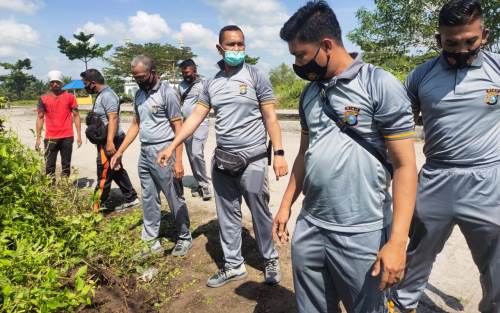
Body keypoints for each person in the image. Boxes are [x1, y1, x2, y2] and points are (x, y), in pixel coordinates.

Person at [273, 1, 418, 312]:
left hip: (361, 233)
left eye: (301, 55)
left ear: (326, 45)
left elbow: (405, 167)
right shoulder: (310, 93)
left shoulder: (379, 85)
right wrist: (286, 205)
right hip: (311, 226)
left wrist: (397, 242)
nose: (298, 64)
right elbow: (305, 153)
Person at [156, 25, 288, 287]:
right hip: (223, 161)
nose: (237, 49)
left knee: (259, 212)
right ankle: (233, 265)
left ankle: (269, 258)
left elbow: (270, 116)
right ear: (220, 48)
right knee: (227, 215)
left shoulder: (256, 75)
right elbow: (195, 117)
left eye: (240, 44)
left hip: (254, 158)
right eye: (231, 44)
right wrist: (172, 146)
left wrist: (279, 152)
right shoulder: (211, 83)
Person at [392, 1, 500, 312]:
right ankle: (401, 306)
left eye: (471, 41)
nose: (462, 49)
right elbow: (396, 131)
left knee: (496, 266)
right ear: (439, 39)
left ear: (485, 35)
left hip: (487, 182)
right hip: (435, 179)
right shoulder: (420, 76)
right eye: (452, 43)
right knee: (415, 257)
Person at [110, 55, 192, 257]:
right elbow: (136, 124)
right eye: (135, 77)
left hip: (165, 151)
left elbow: (178, 128)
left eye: (141, 76)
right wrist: (120, 152)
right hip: (145, 152)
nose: (138, 80)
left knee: (174, 196)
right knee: (148, 197)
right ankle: (150, 241)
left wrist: (179, 160)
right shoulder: (139, 95)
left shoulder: (168, 93)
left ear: (153, 72)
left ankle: (184, 237)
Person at [80, 69, 138, 212]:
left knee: (104, 172)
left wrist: (110, 142)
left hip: (111, 140)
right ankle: (131, 197)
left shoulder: (108, 96)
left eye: (85, 83)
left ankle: (96, 206)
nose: (84, 86)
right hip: (106, 139)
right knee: (115, 168)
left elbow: (113, 119)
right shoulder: (101, 95)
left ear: (93, 83)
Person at [36, 70, 82, 179]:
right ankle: (50, 188)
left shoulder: (70, 97)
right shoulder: (43, 98)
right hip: (50, 137)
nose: (55, 84)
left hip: (67, 137)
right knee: (49, 165)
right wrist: (38, 138)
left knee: (66, 165)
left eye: (57, 82)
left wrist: (79, 135)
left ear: (61, 83)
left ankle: (65, 187)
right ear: (49, 83)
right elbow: (40, 117)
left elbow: (76, 116)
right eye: (52, 82)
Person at [177, 59, 212, 200]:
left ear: (194, 70)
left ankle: (205, 185)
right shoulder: (181, 86)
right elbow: (178, 102)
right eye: (183, 73)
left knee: (197, 153)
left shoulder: (203, 84)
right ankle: (199, 183)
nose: (185, 75)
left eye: (187, 72)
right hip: (186, 126)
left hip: (201, 124)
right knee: (192, 156)